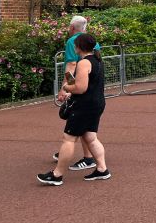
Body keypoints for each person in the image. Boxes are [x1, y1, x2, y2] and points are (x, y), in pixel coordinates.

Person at [37, 33, 110, 185]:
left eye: (76, 45)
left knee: (69, 138)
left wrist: (65, 87)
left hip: (84, 105)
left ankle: (57, 175)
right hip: (96, 103)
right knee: (90, 137)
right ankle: (102, 169)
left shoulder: (84, 63)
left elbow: (80, 88)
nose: (74, 47)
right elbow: (83, 83)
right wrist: (71, 85)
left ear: (79, 46)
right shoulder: (97, 60)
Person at [52, 15, 99, 171]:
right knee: (85, 127)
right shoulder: (92, 41)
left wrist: (65, 88)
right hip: (93, 87)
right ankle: (77, 154)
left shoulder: (73, 42)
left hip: (79, 88)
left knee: (75, 129)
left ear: (72, 28)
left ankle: (86, 157)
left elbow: (71, 65)